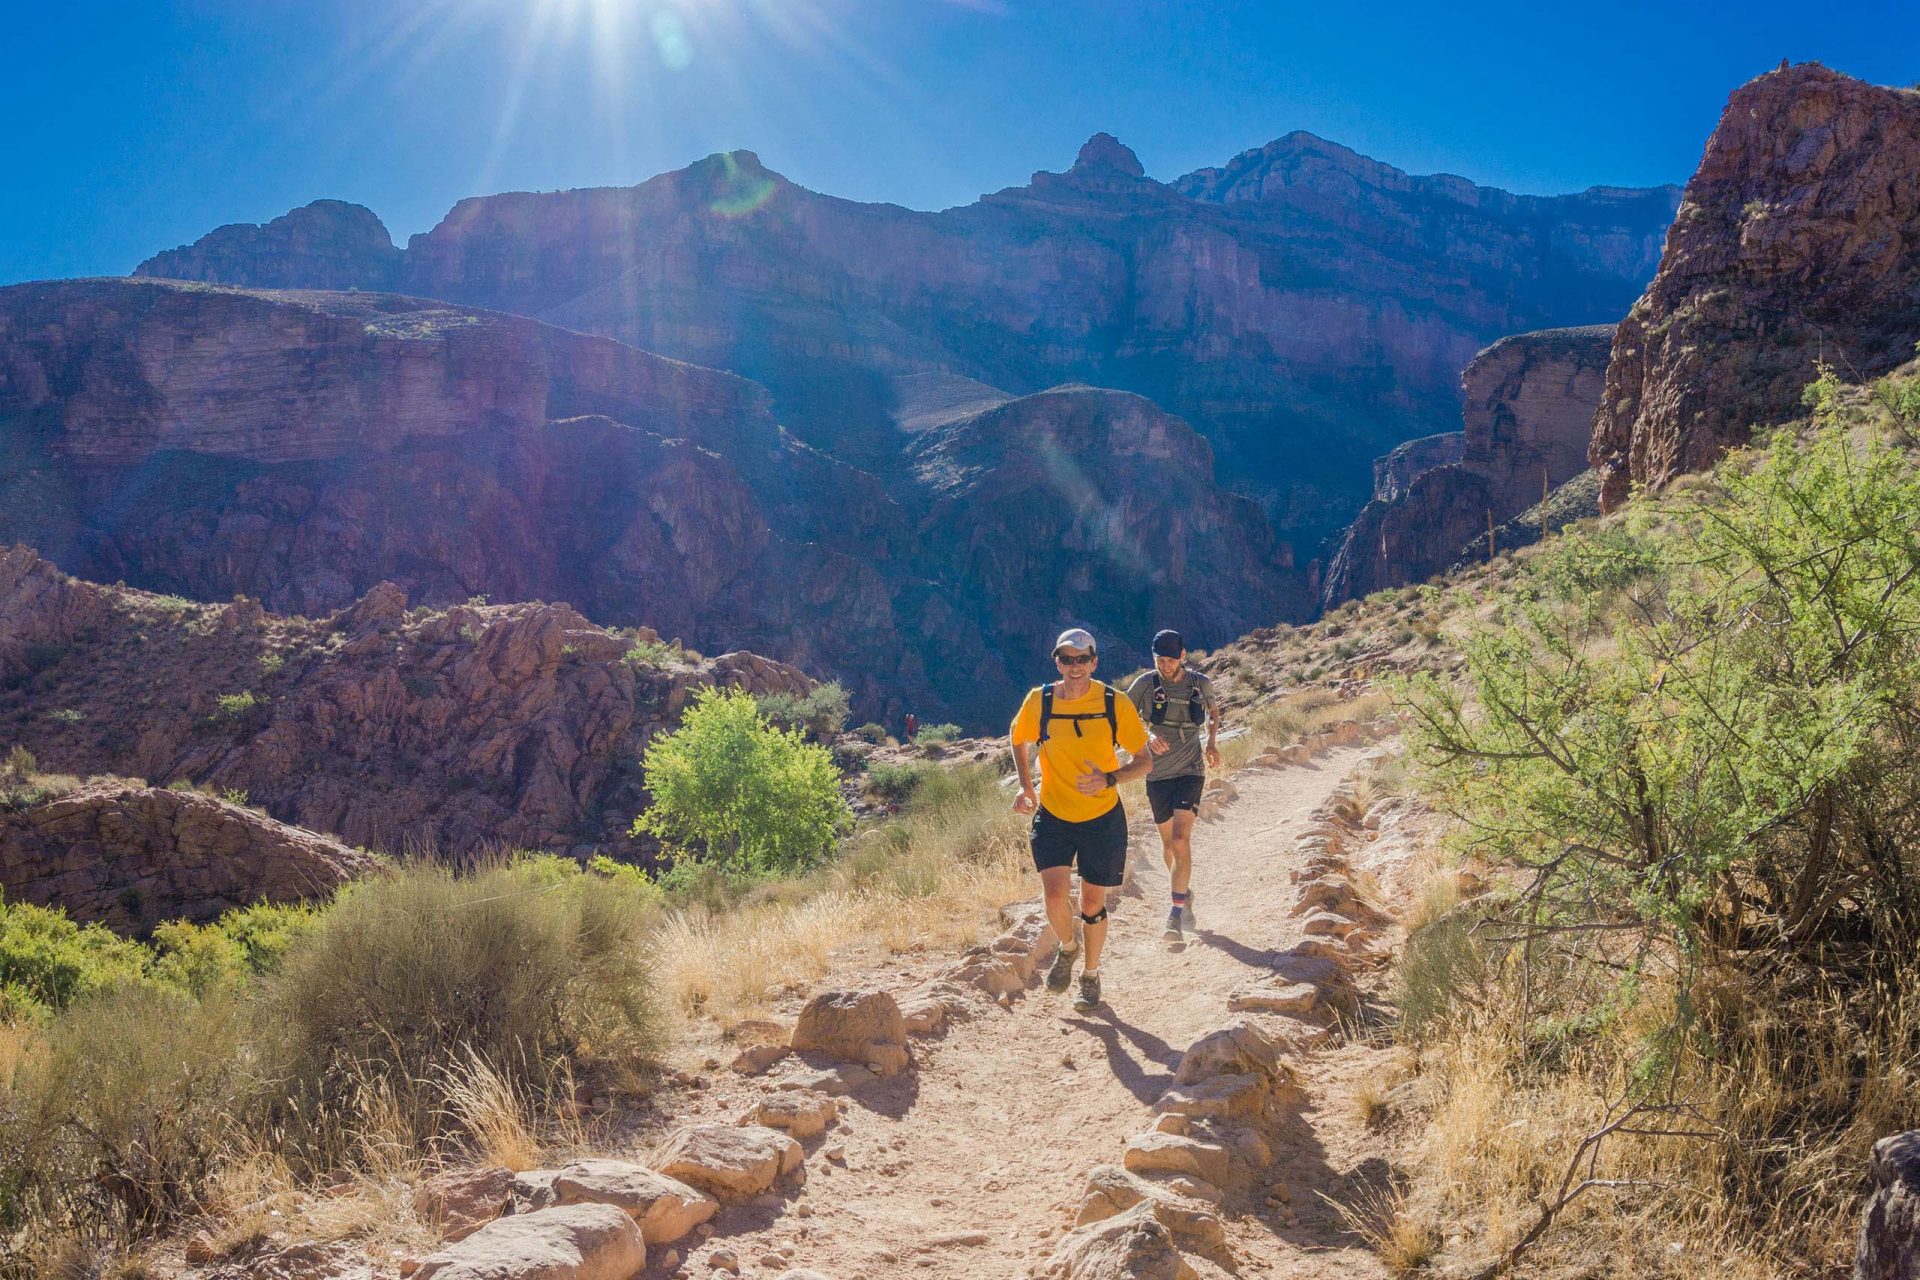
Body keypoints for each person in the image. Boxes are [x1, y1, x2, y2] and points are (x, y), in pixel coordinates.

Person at [1009, 628, 1153, 1012]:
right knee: (1055, 896)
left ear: (1094, 662)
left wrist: (1109, 778)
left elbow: (1144, 761)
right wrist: (1026, 787)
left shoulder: (1113, 703)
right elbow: (1017, 736)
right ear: (1057, 661)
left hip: (1102, 818)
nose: (1074, 667)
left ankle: (1090, 976)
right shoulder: (1039, 701)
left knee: (1092, 905)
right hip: (1054, 814)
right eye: (1066, 659)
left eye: (1082, 659)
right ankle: (1068, 948)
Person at [1125, 630, 1221, 942]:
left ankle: (1175, 915)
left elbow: (1213, 712)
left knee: (1180, 839)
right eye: (1159, 660)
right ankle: (1183, 893)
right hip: (1156, 774)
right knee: (1168, 847)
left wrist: (1212, 743)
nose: (1165, 665)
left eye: (1170, 659)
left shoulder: (1199, 684)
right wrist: (1146, 737)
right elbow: (1123, 718)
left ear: (1182, 655)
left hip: (1191, 770)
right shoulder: (1145, 684)